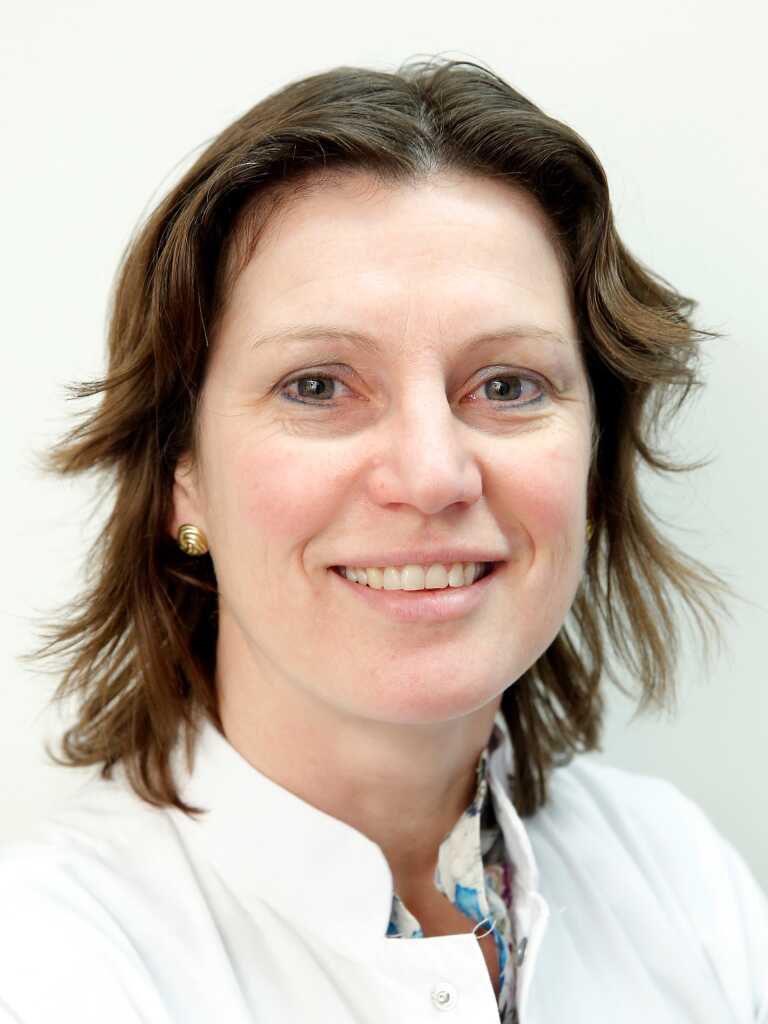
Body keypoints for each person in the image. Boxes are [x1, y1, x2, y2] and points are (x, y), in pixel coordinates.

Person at [1, 56, 766, 1023]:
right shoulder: (49, 968)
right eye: (318, 385)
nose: (433, 475)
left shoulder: (681, 880)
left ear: (592, 463)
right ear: (177, 475)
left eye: (507, 385)